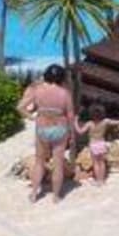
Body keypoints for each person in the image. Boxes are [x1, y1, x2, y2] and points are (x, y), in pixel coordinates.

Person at [19, 64, 78, 202]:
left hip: (42, 128)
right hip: (60, 128)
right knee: (58, 164)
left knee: (39, 162)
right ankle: (56, 196)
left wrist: (32, 117)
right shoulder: (65, 93)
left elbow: (20, 107)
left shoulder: (37, 90)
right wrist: (72, 135)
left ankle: (34, 193)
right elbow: (70, 115)